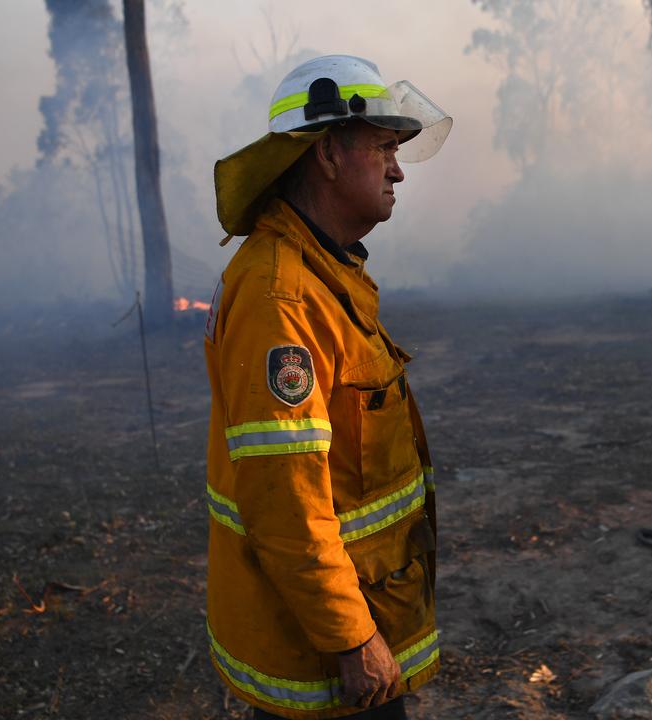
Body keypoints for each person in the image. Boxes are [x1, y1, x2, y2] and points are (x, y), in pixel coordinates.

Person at [200, 55, 452, 720]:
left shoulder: (326, 272)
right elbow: (284, 501)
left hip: (354, 628)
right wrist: (352, 638)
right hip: (327, 664)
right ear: (329, 156)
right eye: (382, 148)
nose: (398, 169)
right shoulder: (279, 297)